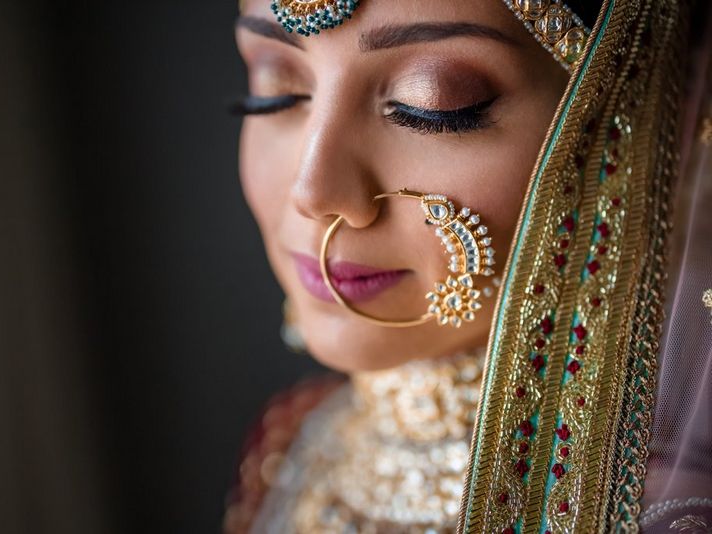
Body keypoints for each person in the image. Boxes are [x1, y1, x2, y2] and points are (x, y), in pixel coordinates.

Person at [225, 1, 712, 532]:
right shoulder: (289, 440)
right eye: (275, 92)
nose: (313, 191)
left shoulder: (657, 516)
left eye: (431, 107)